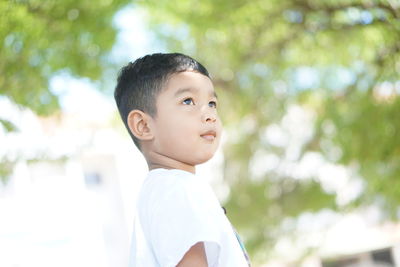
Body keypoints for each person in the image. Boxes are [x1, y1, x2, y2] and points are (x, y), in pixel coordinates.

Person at [114, 53, 251, 267]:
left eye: (212, 103)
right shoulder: (176, 188)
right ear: (143, 125)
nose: (210, 115)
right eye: (188, 101)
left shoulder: (165, 189)